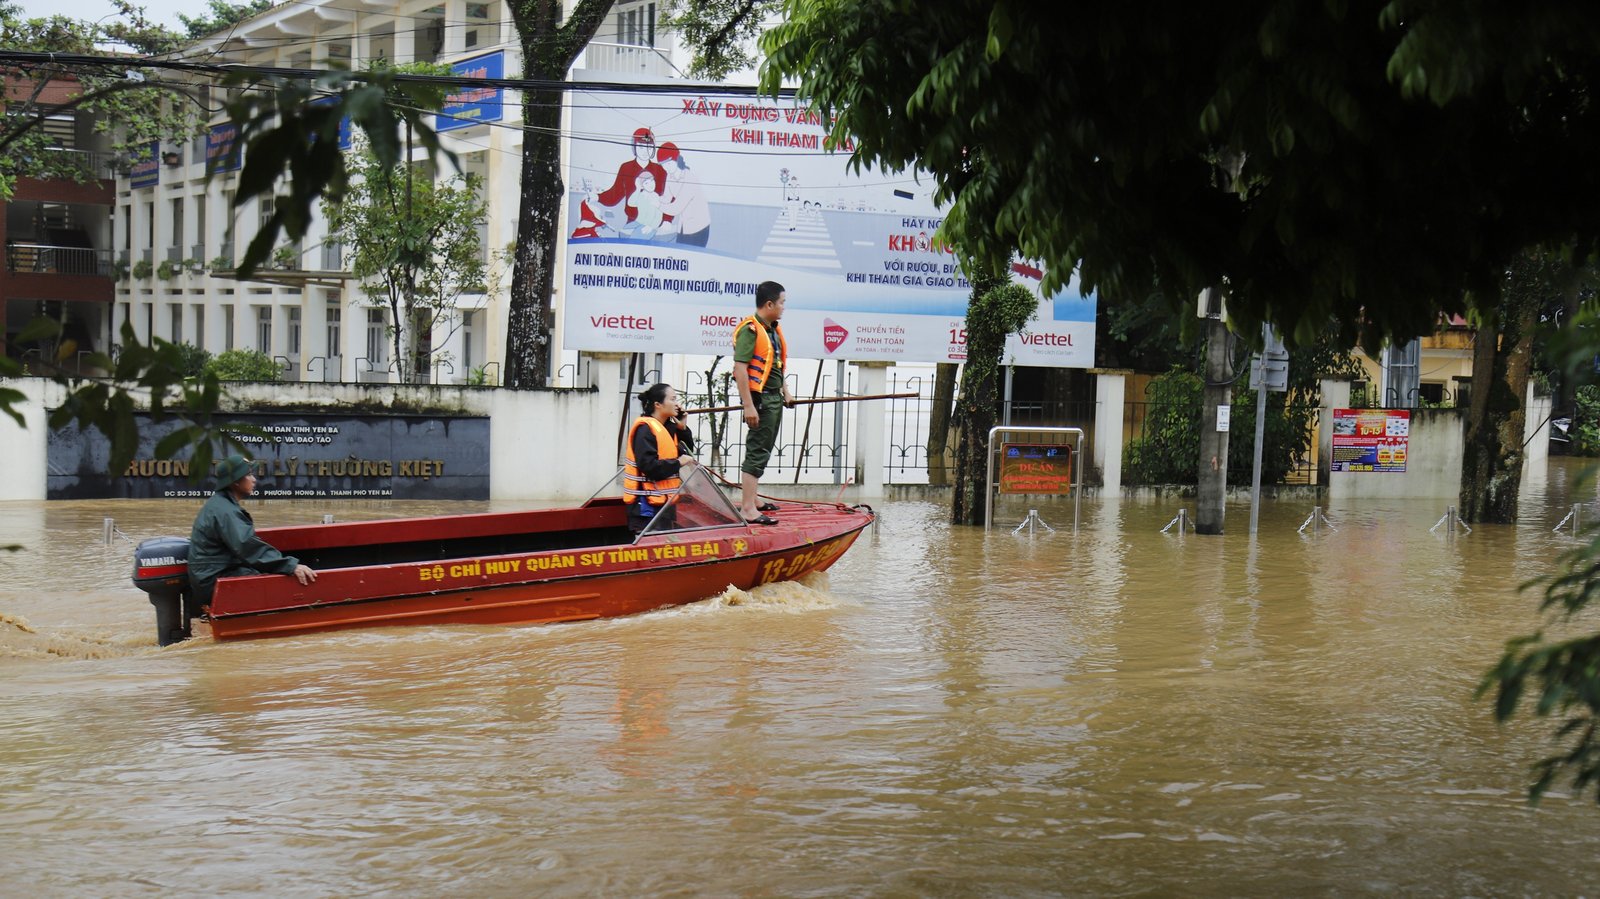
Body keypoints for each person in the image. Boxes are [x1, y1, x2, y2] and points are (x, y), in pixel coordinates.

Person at [188, 453, 317, 607]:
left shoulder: (222, 505)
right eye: (249, 475)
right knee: (270, 581)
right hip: (214, 581)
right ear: (235, 481)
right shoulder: (226, 511)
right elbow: (247, 546)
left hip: (210, 577)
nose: (254, 479)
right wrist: (291, 566)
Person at [732, 282, 793, 525]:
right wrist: (749, 405)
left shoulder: (771, 331)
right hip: (761, 400)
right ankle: (748, 508)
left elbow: (775, 367)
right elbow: (740, 368)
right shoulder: (751, 330)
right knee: (757, 450)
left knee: (764, 448)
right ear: (769, 304)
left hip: (773, 397)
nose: (783, 308)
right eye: (781, 303)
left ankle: (754, 499)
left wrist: (785, 391)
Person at [623, 383, 699, 534]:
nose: (677, 404)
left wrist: (683, 428)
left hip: (664, 504)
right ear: (658, 404)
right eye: (672, 399)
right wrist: (678, 463)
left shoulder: (667, 428)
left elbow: (686, 452)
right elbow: (649, 466)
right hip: (646, 508)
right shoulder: (645, 429)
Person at [657, 142, 711, 246]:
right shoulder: (669, 176)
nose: (666, 168)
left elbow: (676, 208)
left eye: (668, 163)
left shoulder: (690, 178)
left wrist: (658, 205)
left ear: (676, 159)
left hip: (699, 227)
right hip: (684, 225)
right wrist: (654, 197)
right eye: (663, 165)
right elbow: (666, 198)